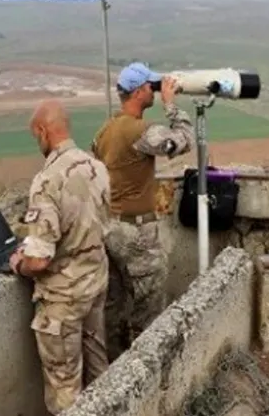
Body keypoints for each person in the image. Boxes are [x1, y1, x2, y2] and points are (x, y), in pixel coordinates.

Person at [10, 99, 111, 415]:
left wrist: (20, 263)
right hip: (95, 281)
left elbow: (39, 260)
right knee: (100, 370)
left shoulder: (47, 181)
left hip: (63, 299)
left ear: (43, 131)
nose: (37, 142)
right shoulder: (95, 166)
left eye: (35, 136)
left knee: (65, 386)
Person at [90, 62, 195, 359]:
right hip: (136, 232)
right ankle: (145, 364)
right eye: (152, 87)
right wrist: (171, 105)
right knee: (149, 302)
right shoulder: (141, 131)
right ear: (138, 92)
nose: (155, 91)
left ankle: (113, 365)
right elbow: (184, 140)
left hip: (110, 227)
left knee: (115, 302)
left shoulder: (106, 130)